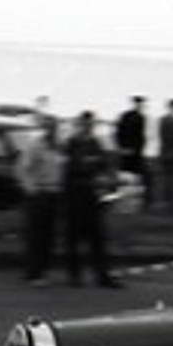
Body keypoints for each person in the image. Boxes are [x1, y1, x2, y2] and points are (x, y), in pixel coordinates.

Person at [63, 110, 120, 288]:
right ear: (80, 124)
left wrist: (92, 164)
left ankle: (102, 276)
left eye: (91, 124)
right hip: (74, 195)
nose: (88, 127)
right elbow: (72, 167)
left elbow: (102, 163)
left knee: (97, 239)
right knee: (74, 239)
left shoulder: (95, 142)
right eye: (85, 124)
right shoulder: (71, 143)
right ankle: (74, 276)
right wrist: (89, 163)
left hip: (91, 195)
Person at [15, 114, 64, 285]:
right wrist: (32, 189)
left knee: (48, 236)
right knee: (37, 235)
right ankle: (33, 273)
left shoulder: (58, 148)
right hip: (40, 193)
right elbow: (22, 169)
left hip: (54, 193)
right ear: (44, 129)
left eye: (55, 127)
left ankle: (42, 271)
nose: (52, 131)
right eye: (49, 127)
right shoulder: (35, 145)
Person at [114, 95, 147, 199]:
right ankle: (126, 195)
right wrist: (124, 147)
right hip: (130, 149)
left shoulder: (138, 117)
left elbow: (140, 135)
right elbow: (119, 132)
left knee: (131, 172)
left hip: (134, 150)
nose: (140, 105)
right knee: (128, 171)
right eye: (139, 103)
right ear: (135, 104)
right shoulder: (129, 116)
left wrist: (123, 147)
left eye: (141, 104)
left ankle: (130, 196)